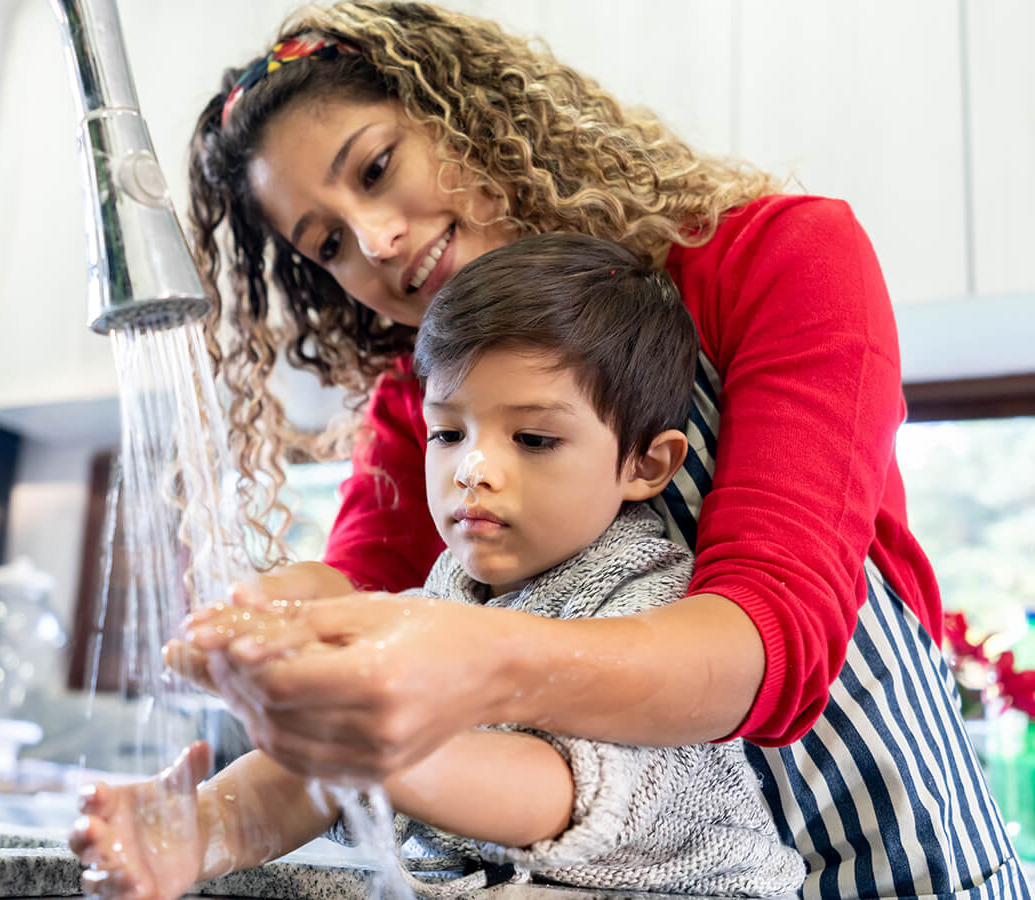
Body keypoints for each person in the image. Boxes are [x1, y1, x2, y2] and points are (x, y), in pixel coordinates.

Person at [173, 3, 1029, 898]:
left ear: (467, 110)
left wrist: (480, 662)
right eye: (330, 243)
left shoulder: (775, 259)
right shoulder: (412, 401)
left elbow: (767, 642)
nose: (379, 242)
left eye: (378, 168)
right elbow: (363, 595)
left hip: (900, 864)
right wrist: (274, 621)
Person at [70, 233, 806, 898]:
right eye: (449, 432)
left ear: (647, 464)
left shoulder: (649, 601)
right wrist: (203, 828)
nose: (474, 469)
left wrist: (382, 745)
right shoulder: (448, 596)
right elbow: (317, 778)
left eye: (536, 440)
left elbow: (564, 790)